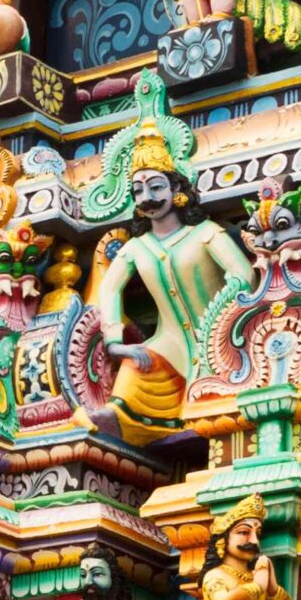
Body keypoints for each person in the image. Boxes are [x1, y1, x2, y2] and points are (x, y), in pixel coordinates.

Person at [90, 124, 255, 444]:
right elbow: (109, 288)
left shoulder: (206, 233)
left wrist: (226, 317)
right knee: (135, 366)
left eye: (156, 187)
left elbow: (243, 274)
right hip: (169, 344)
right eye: (139, 191)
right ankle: (120, 420)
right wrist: (115, 343)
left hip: (223, 341)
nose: (148, 198)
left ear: (176, 187)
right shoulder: (137, 248)